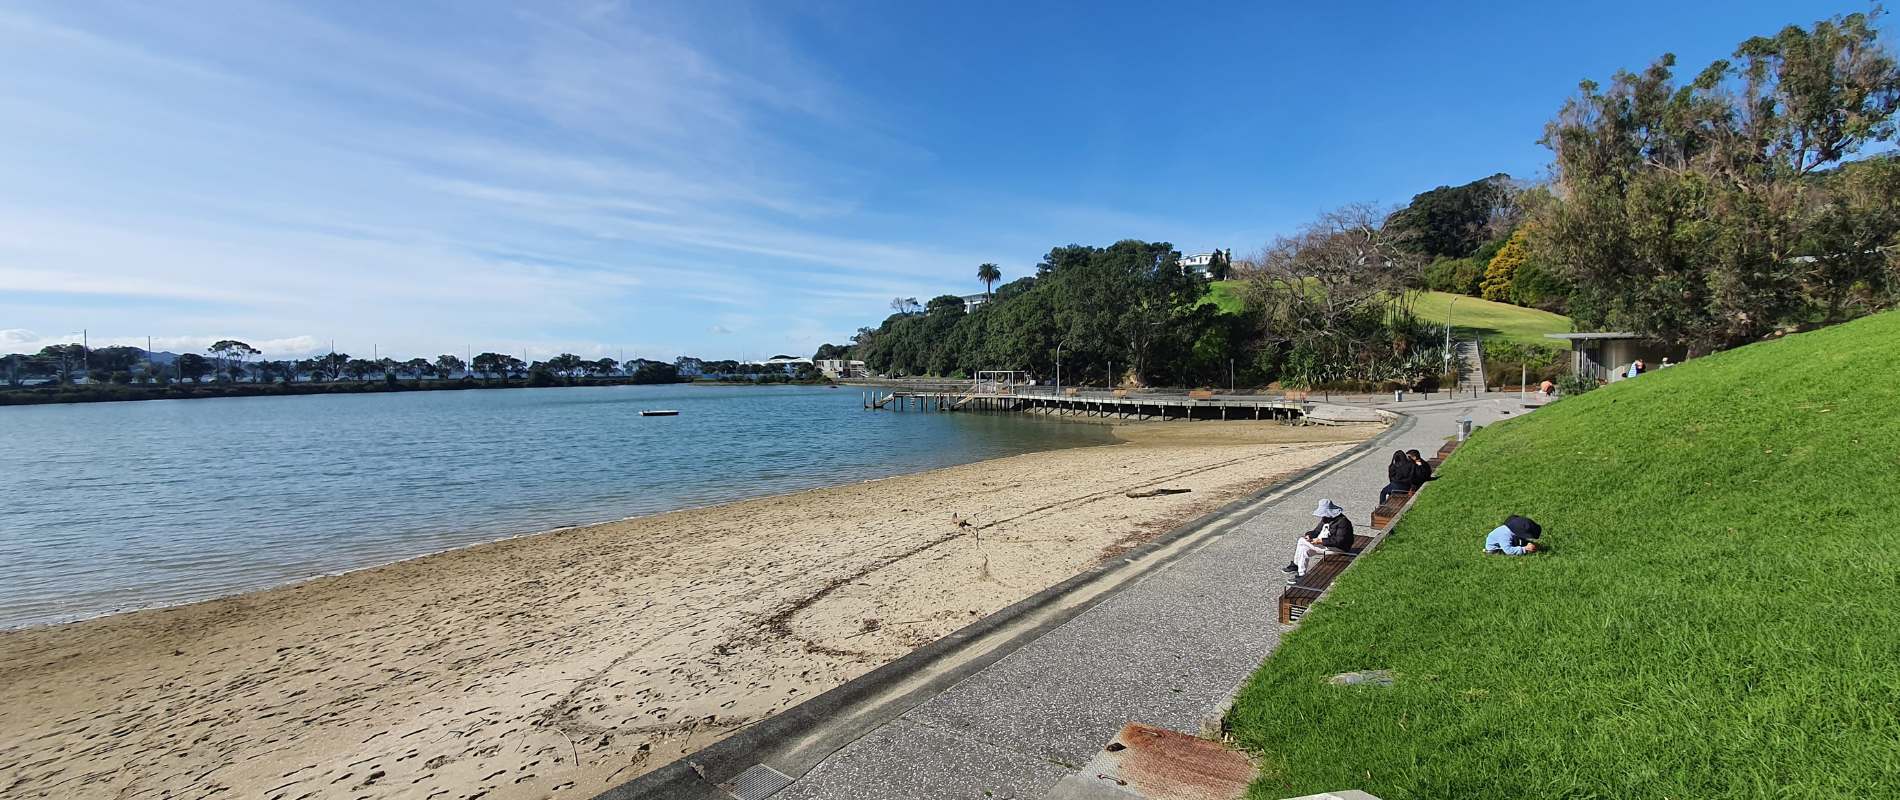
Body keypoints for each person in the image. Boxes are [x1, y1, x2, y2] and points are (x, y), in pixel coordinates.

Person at [1282, 500, 1354, 583]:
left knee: (1301, 541)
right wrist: (1309, 536)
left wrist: (1321, 541)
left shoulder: (1343, 522)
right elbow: (1316, 531)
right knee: (1304, 549)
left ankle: (1295, 565)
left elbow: (1339, 541)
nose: (1322, 516)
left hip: (1339, 548)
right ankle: (1301, 574)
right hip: (1327, 546)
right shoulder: (1326, 519)